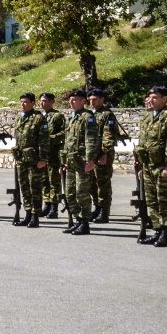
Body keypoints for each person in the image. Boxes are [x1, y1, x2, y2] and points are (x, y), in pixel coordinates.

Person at [134, 86, 167, 247]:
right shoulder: (147, 117)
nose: (151, 100)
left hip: (162, 165)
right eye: (150, 97)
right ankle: (157, 230)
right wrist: (140, 163)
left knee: (163, 199)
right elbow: (143, 141)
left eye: (155, 97)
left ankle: (165, 233)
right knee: (151, 200)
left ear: (164, 99)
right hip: (148, 165)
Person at [60, 90, 99, 235]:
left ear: (83, 101)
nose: (71, 102)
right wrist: (63, 161)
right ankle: (78, 219)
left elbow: (91, 140)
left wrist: (90, 160)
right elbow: (67, 141)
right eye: (70, 99)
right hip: (71, 161)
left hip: (82, 162)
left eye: (75, 99)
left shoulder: (87, 117)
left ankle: (85, 223)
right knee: (70, 193)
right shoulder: (72, 118)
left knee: (81, 193)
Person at [12, 93, 50, 228]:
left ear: (33, 103)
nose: (23, 104)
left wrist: (43, 159)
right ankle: (27, 214)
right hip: (22, 159)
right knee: (24, 187)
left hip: (34, 159)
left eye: (26, 102)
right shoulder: (19, 118)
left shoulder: (39, 118)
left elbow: (45, 141)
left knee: (35, 188)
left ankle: (35, 216)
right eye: (21, 102)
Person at [88, 88, 122, 223]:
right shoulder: (90, 114)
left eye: (94, 99)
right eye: (90, 100)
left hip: (102, 153)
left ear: (102, 100)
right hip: (91, 154)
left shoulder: (107, 115)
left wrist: (104, 154)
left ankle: (104, 211)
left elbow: (108, 136)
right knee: (91, 182)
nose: (92, 102)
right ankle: (97, 207)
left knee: (103, 183)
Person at [39, 93, 66, 218]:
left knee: (53, 181)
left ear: (51, 102)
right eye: (41, 101)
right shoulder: (39, 116)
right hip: (41, 154)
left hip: (53, 153)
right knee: (44, 180)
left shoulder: (57, 116)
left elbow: (64, 132)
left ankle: (54, 207)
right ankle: (47, 204)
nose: (42, 103)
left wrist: (50, 138)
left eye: (44, 101)